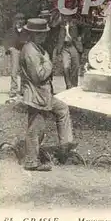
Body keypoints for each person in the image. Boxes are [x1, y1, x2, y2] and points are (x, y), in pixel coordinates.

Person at [20, 18, 77, 171]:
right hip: (35, 96)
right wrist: (48, 63)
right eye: (40, 34)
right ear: (32, 34)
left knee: (62, 109)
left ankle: (65, 146)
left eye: (44, 33)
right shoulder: (30, 51)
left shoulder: (36, 48)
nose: (44, 36)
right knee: (36, 127)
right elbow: (38, 76)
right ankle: (31, 161)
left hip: (43, 94)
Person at [3, 13, 27, 102]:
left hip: (24, 51)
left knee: (24, 71)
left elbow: (29, 40)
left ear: (24, 21)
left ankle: (24, 90)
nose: (20, 21)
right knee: (14, 70)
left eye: (22, 19)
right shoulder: (11, 31)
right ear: (15, 20)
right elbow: (5, 41)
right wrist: (9, 48)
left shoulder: (27, 30)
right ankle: (13, 90)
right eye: (18, 19)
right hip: (15, 51)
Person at [56, 14, 83, 89]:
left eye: (67, 16)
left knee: (76, 65)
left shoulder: (75, 23)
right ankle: (68, 84)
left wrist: (81, 38)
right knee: (66, 66)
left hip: (73, 46)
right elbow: (53, 29)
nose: (65, 18)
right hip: (64, 47)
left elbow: (86, 27)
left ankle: (74, 85)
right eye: (64, 16)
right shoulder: (60, 24)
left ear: (70, 16)